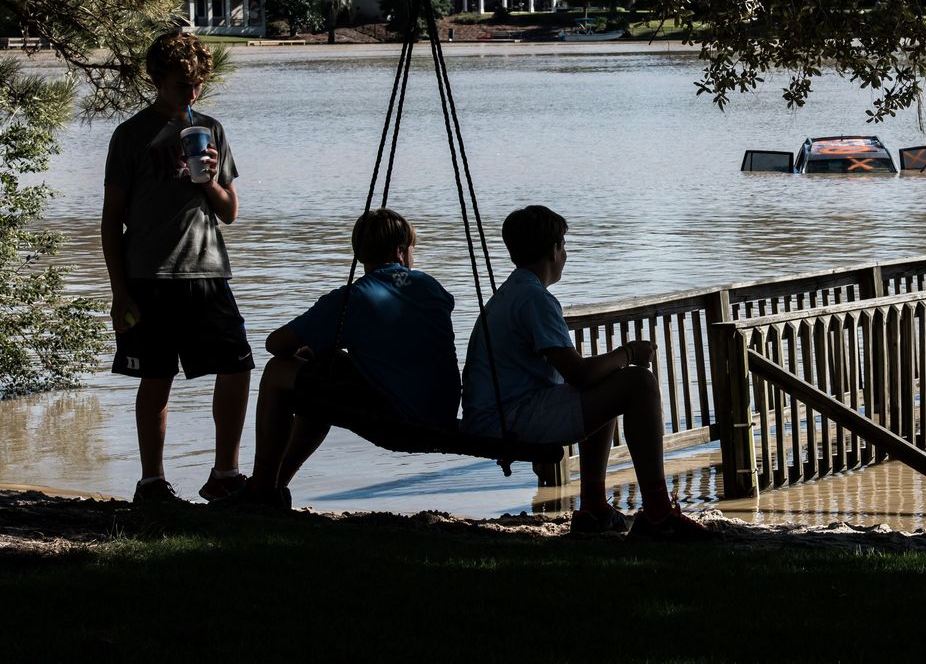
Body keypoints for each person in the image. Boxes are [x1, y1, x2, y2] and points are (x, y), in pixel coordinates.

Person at [462, 205, 709, 540]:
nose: (565, 254)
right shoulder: (534, 299)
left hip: (497, 412)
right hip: (507, 420)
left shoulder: (513, 293)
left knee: (608, 382)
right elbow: (579, 374)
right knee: (639, 383)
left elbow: (579, 373)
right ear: (553, 250)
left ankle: (593, 507)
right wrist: (629, 354)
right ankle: (657, 513)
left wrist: (612, 364)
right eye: (563, 245)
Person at [102, 30, 250, 504]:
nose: (191, 94)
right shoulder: (131, 136)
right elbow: (110, 221)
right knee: (156, 375)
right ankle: (152, 482)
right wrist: (119, 291)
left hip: (207, 269)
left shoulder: (212, 130)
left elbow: (229, 211)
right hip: (149, 275)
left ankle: (225, 474)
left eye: (198, 84)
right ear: (157, 80)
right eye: (180, 84)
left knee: (238, 366)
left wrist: (207, 180)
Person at [231, 209, 459, 509]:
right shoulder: (432, 288)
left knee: (278, 372)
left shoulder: (353, 298)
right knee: (325, 366)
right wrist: (321, 349)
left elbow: (275, 345)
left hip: (401, 424)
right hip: (440, 413)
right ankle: (276, 485)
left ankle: (261, 489)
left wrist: (313, 346)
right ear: (401, 252)